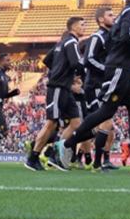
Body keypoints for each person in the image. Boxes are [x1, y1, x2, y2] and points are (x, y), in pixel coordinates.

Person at [59, 0, 130, 175]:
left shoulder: (126, 13)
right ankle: (68, 144)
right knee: (106, 112)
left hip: (126, 69)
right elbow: (126, 37)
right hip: (120, 69)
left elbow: (118, 39)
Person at [24, 18, 85, 172]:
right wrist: (81, 76)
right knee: (52, 123)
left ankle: (54, 154)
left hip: (64, 87)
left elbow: (47, 60)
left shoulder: (61, 43)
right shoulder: (71, 42)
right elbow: (76, 64)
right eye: (82, 24)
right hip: (58, 87)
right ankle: (33, 157)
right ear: (73, 27)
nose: (84, 27)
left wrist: (60, 70)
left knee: (76, 123)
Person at [81, 7, 118, 171]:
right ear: (101, 20)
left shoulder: (112, 37)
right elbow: (88, 60)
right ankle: (97, 162)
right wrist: (107, 70)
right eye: (110, 15)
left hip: (107, 85)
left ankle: (104, 160)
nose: (114, 17)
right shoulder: (97, 37)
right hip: (95, 85)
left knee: (109, 127)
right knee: (105, 123)